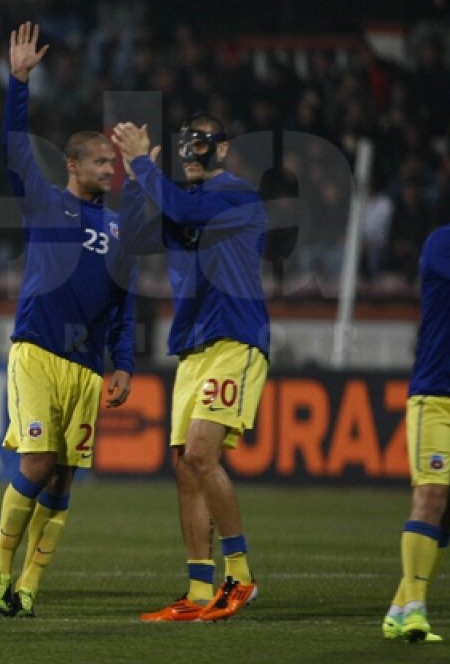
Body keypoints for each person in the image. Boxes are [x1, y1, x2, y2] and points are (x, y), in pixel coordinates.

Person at [0, 23, 136, 618]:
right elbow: (14, 145)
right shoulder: (47, 200)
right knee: (38, 463)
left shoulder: (122, 230)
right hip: (39, 351)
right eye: (100, 160)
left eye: (113, 161)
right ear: (71, 163)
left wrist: (121, 363)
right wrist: (19, 82)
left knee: (65, 480)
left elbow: (124, 305)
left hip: (87, 368)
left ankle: (29, 584)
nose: (110, 168)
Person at [111, 113, 269, 623]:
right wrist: (137, 182)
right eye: (187, 143)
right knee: (185, 468)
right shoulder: (184, 204)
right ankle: (199, 590)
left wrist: (140, 161)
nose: (193, 151)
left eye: (203, 142)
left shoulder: (237, 196)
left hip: (234, 339)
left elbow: (177, 205)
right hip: (193, 348)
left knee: (202, 456)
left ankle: (240, 576)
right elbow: (134, 236)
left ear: (222, 150)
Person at [381, 156, 450, 643]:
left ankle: (400, 606)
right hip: (438, 396)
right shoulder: (446, 245)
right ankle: (416, 605)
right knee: (430, 497)